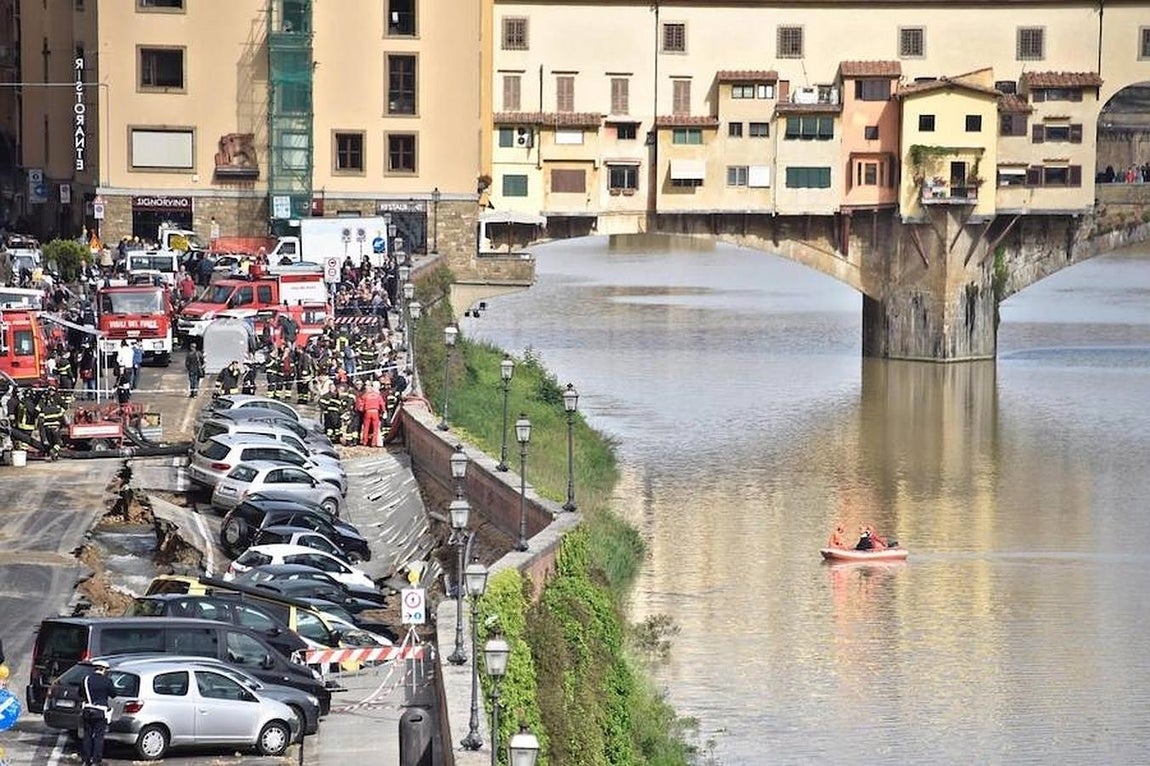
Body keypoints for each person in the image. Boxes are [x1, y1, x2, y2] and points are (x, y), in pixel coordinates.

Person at [79, 659, 113, 766]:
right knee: (98, 736)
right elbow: (114, 694)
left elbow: (80, 693)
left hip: (87, 711)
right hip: (100, 712)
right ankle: (96, 760)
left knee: (87, 735)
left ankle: (85, 760)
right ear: (103, 669)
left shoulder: (86, 679)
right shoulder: (107, 681)